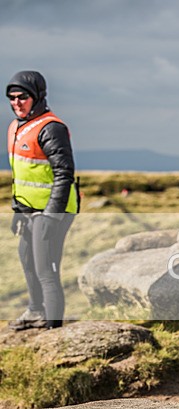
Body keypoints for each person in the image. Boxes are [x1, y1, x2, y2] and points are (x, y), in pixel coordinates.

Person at [6, 71, 78, 330]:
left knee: (45, 268)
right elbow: (23, 175)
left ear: (37, 97)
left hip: (53, 210)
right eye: (11, 98)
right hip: (29, 210)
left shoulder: (51, 128)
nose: (16, 102)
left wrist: (51, 214)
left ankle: (53, 328)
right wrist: (18, 210)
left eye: (22, 97)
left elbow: (64, 173)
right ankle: (35, 311)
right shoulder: (16, 127)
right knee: (26, 259)